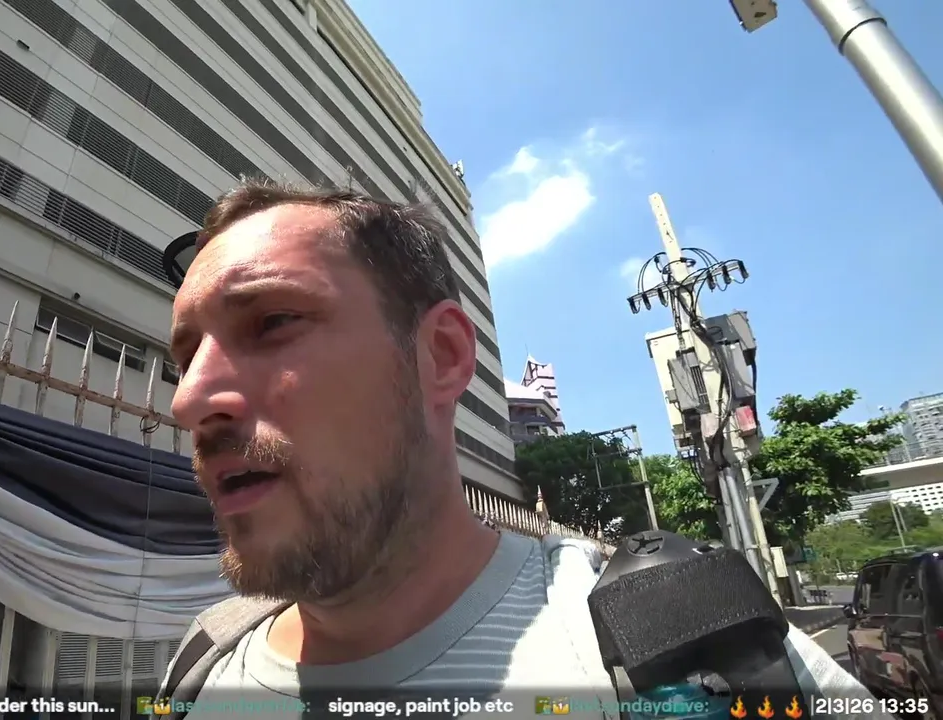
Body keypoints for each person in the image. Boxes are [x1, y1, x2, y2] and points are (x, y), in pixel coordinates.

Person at [165, 179, 884, 719]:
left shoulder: (683, 643)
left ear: (442, 356)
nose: (188, 399)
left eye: (273, 322)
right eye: (186, 355)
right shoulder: (201, 666)